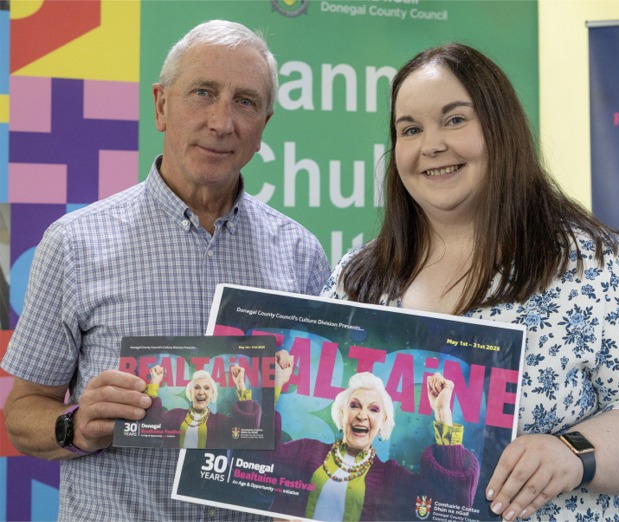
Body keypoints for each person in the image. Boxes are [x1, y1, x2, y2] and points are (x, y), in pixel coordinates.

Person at [321, 43, 619, 521]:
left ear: (501, 130)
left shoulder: (588, 264)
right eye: (410, 129)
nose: (431, 145)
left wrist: (572, 453)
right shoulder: (359, 279)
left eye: (455, 120)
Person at [1, 19, 329, 521]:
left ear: (264, 126)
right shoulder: (74, 244)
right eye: (203, 93)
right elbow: (22, 411)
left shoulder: (302, 255)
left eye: (245, 102)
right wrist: (75, 425)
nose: (221, 122)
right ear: (160, 105)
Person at [264, 352, 480, 521]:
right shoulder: (308, 450)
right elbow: (257, 459)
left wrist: (442, 412)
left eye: (374, 410)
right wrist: (275, 384)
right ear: (342, 413)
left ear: (383, 423)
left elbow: (452, 505)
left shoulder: (391, 477)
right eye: (354, 406)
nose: (362, 415)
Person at [146, 364, 261, 448]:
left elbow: (247, 430)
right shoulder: (175, 415)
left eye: (206, 388)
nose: (201, 392)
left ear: (212, 394)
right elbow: (151, 423)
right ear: (190, 393)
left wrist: (240, 384)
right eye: (196, 388)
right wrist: (154, 382)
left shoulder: (220, 422)